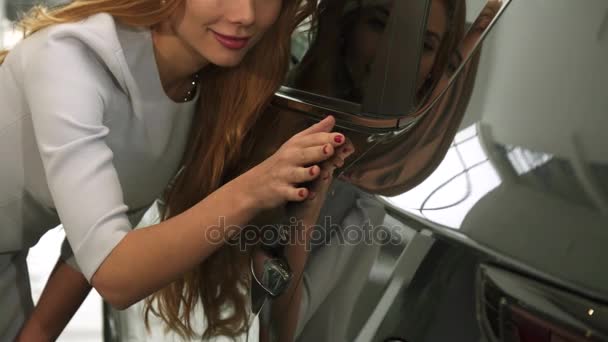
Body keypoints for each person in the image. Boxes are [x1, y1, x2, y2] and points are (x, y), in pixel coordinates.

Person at [0, 0, 356, 340]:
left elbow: (87, 255)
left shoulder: (204, 92)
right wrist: (255, 187)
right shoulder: (70, 58)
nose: (245, 14)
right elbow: (113, 272)